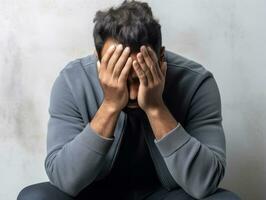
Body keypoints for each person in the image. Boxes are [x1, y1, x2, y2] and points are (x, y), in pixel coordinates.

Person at [17, 1, 241, 199]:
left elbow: (205, 183)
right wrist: (110, 105)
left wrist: (155, 107)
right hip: (95, 192)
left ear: (161, 57)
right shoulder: (72, 81)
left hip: (169, 194)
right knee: (34, 197)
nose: (133, 94)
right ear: (99, 61)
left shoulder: (196, 83)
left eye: (140, 76)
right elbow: (65, 180)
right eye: (121, 76)